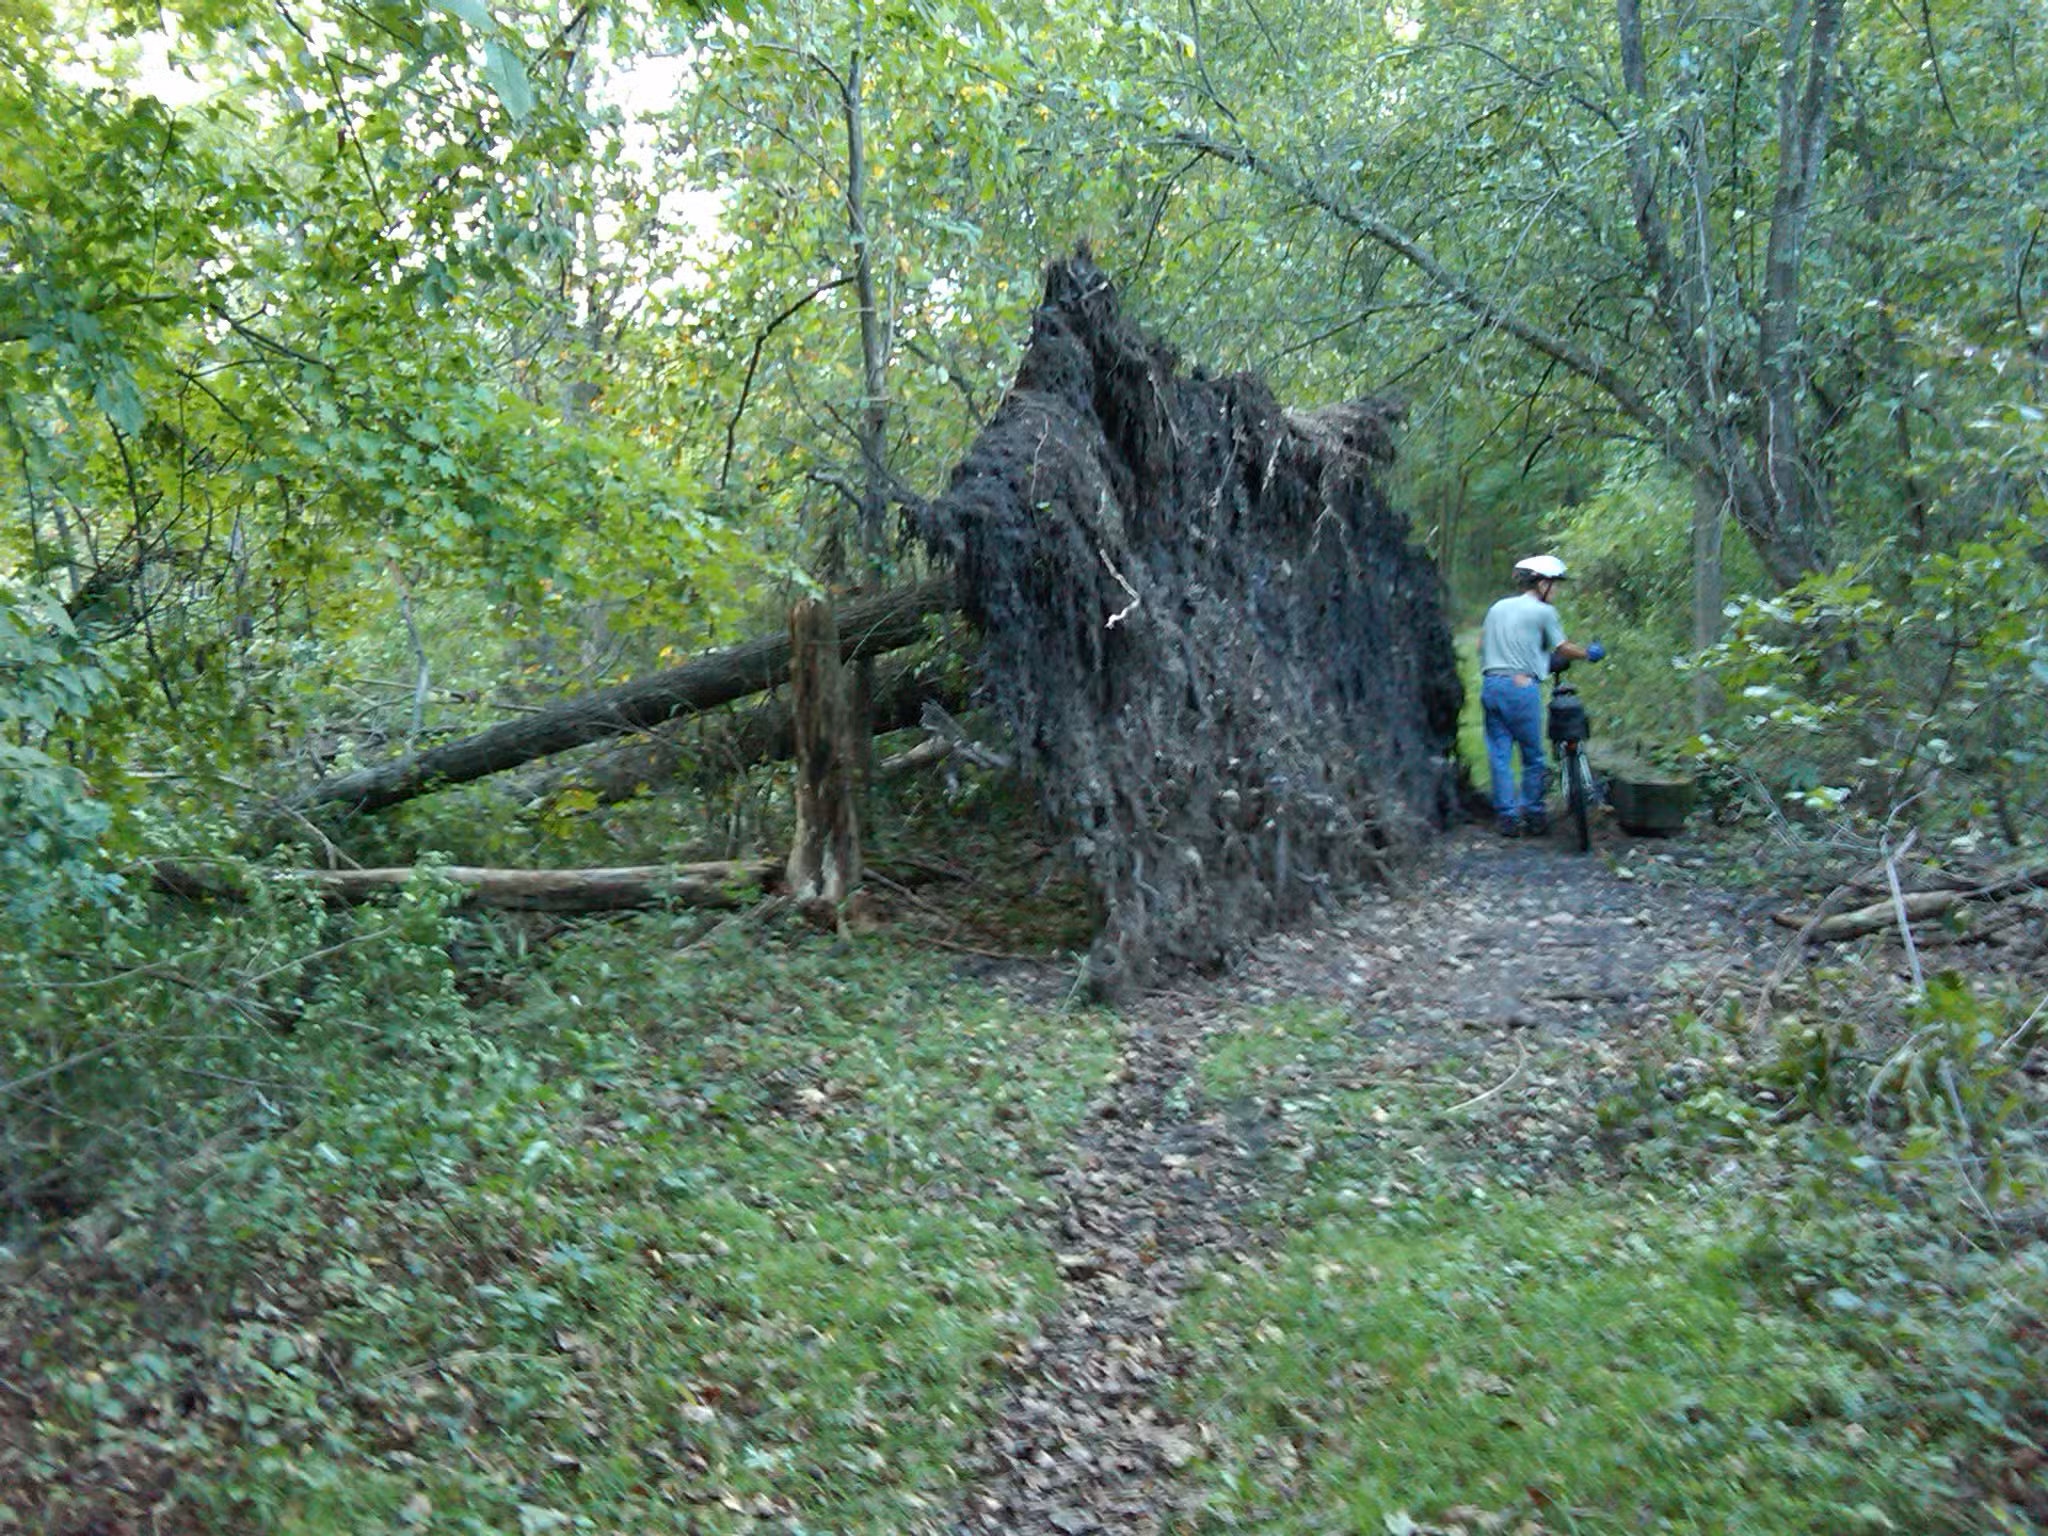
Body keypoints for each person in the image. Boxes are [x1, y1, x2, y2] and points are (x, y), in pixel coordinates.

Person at [1478, 554, 1604, 836]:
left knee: (1499, 753)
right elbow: (1562, 648)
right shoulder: (1544, 612)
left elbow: (1481, 644)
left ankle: (1507, 818)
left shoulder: (1497, 607)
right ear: (1542, 583)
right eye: (1555, 584)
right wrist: (1589, 653)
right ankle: (1533, 814)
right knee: (1533, 755)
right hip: (1521, 688)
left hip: (1491, 685)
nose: (1556, 590)